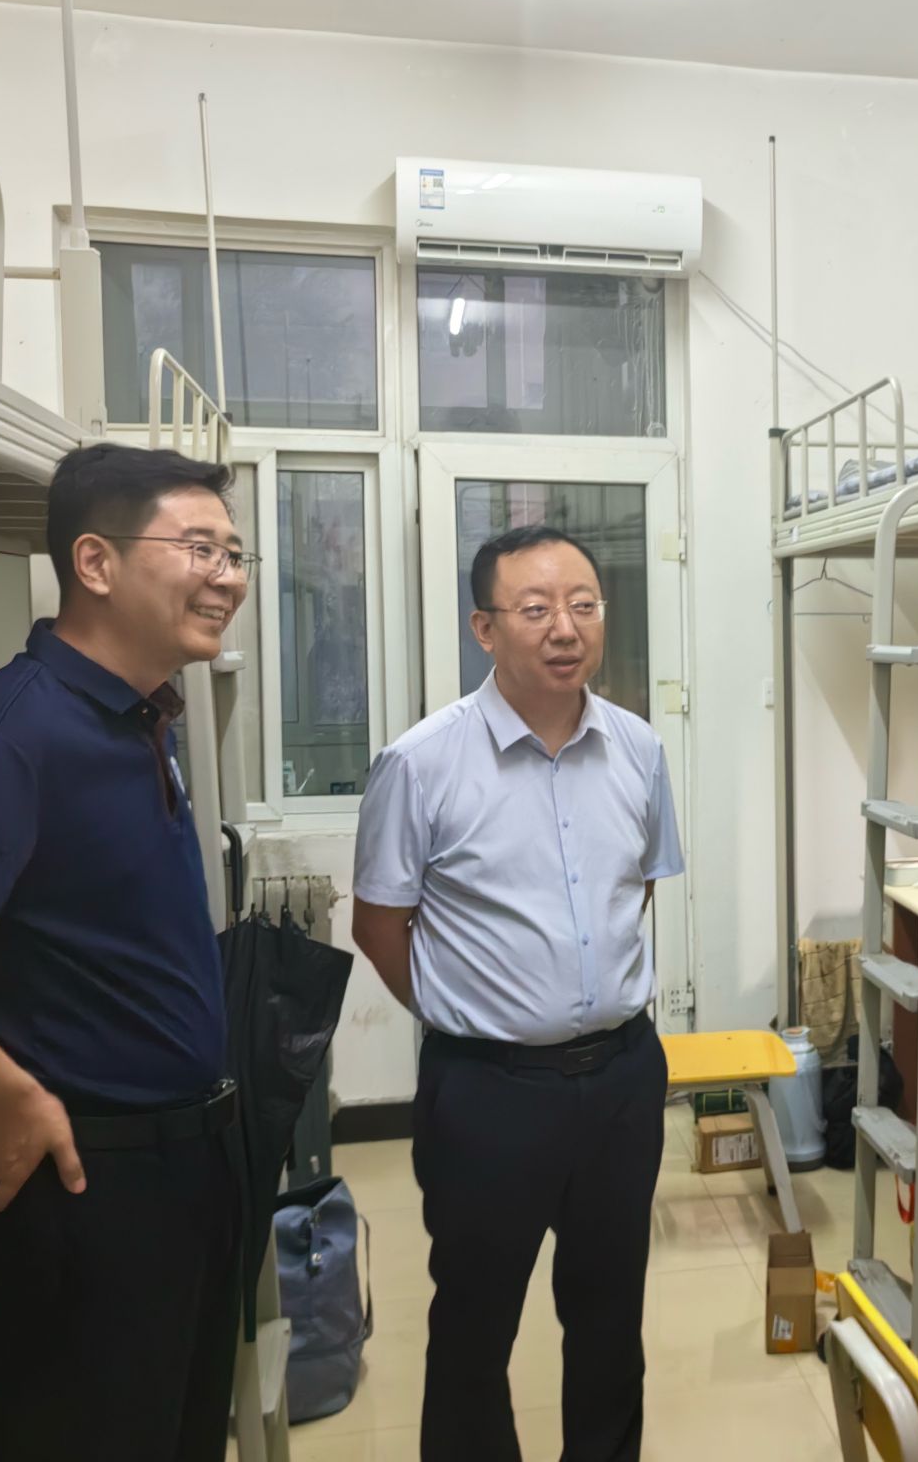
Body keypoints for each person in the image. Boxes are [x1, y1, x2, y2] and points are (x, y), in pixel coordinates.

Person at [0, 443, 254, 1462]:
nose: (228, 576)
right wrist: (10, 1090)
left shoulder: (138, 715)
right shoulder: (15, 733)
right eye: (200, 548)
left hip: (183, 1172)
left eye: (234, 553)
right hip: (87, 1188)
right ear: (95, 563)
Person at [353, 523, 684, 1462]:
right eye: (535, 609)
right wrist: (474, 1017)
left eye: (583, 605)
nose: (565, 629)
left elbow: (635, 891)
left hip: (622, 1080)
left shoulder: (638, 748)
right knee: (473, 1327)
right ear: (484, 628)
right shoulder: (420, 763)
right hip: (487, 1092)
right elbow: (379, 925)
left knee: (611, 1321)